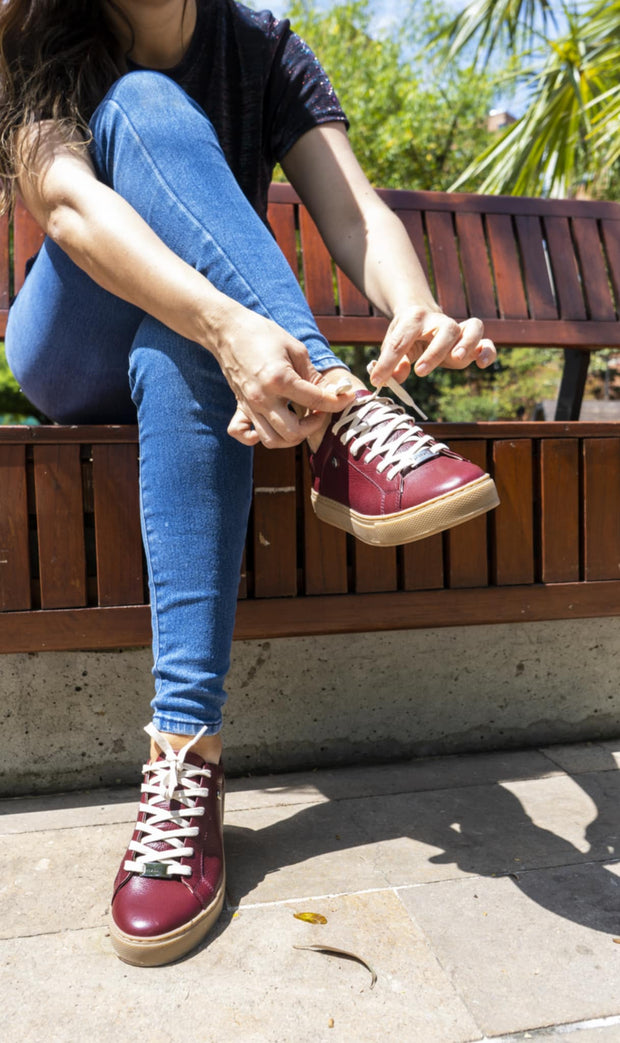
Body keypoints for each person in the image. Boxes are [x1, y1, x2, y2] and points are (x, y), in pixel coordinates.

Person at [0, 0, 498, 966]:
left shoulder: (264, 45)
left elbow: (355, 212)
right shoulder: (37, 34)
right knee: (143, 105)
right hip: (69, 337)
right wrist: (234, 323)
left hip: (181, 338)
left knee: (183, 353)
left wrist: (417, 306)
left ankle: (184, 762)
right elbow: (66, 206)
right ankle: (345, 421)